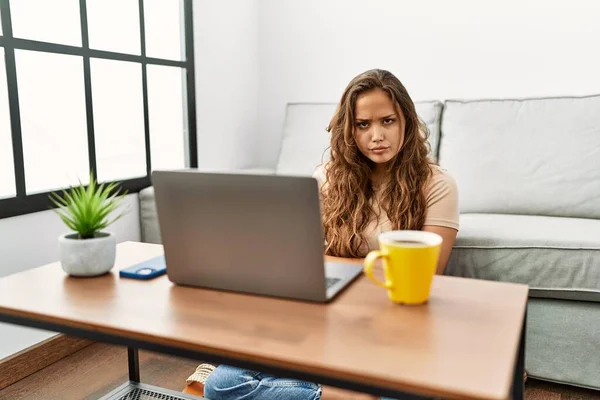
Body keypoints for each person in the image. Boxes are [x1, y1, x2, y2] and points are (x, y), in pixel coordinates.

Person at [199, 69, 459, 400]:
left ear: (405, 121)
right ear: (349, 130)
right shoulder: (326, 177)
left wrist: (338, 261)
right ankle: (341, 396)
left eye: (388, 121)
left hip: (394, 323)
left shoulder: (438, 184)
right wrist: (375, 265)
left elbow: (428, 273)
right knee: (221, 385)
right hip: (329, 314)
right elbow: (306, 261)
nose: (376, 135)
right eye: (363, 124)